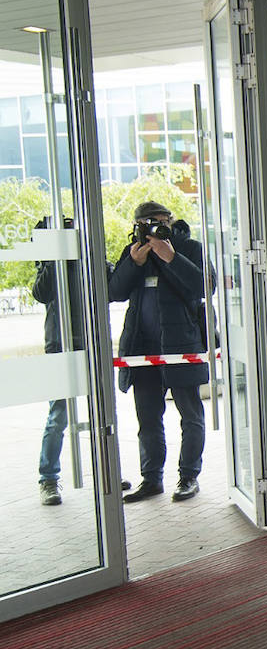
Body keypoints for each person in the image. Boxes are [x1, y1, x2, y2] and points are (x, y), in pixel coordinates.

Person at [108, 203, 209, 503]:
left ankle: (188, 476)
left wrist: (172, 258)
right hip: (141, 350)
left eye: (161, 223)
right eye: (147, 224)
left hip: (181, 347)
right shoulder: (133, 252)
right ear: (136, 225)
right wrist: (133, 264)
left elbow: (206, 285)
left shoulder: (189, 248)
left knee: (190, 415)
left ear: (171, 222)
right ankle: (151, 479)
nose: (154, 229)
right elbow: (114, 292)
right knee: (148, 418)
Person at [32, 218, 110, 505]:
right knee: (59, 416)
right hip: (60, 346)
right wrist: (55, 256)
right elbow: (40, 293)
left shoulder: (87, 258)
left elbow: (110, 285)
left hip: (90, 344)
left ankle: (107, 472)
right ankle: (48, 479)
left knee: (103, 415)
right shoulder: (51, 262)